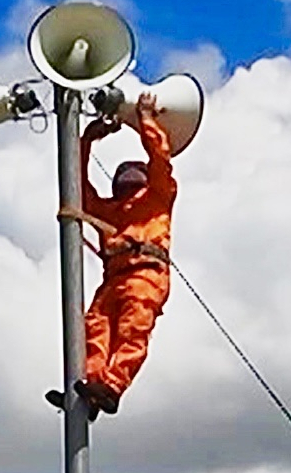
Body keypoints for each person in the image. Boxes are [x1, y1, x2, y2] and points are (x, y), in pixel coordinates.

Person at [46, 92, 177, 420]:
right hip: (115, 279)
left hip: (145, 273)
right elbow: (76, 185)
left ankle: (111, 385)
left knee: (132, 330)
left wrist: (147, 120)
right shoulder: (111, 210)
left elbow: (161, 158)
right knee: (94, 330)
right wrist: (86, 139)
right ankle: (89, 389)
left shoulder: (158, 196)